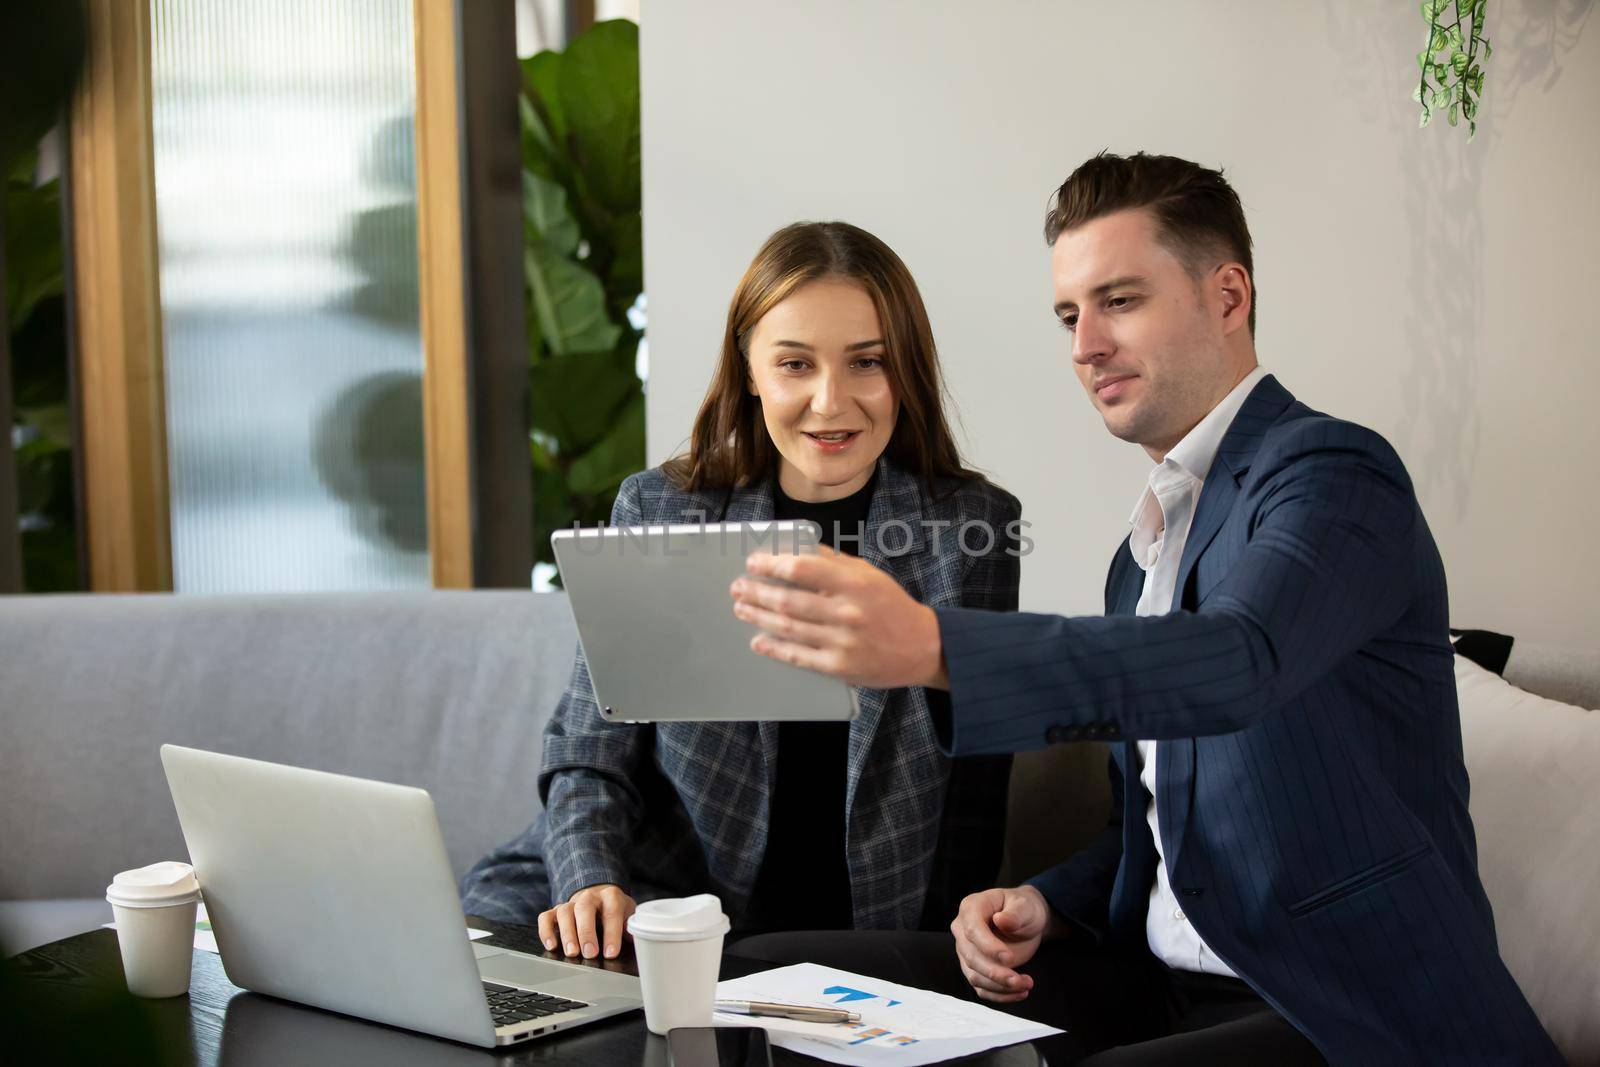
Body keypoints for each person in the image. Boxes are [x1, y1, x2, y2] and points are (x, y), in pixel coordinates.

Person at [727, 154, 1561, 1065]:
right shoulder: (1141, 556)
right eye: (1068, 315)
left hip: (1337, 1004)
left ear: (1228, 295)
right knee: (768, 980)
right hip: (1153, 987)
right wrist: (1048, 899)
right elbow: (1152, 830)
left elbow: (1239, 659)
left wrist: (934, 645)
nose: (1085, 344)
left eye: (1119, 301)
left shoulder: (1331, 475)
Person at [461, 221, 1023, 963]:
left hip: (861, 928)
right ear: (751, 370)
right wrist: (591, 878)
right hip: (660, 906)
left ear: (906, 371)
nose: (831, 402)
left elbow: (974, 795)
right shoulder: (661, 508)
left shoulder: (973, 530)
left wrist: (948, 957)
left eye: (867, 363)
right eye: (795, 364)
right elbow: (592, 748)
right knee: (469, 952)